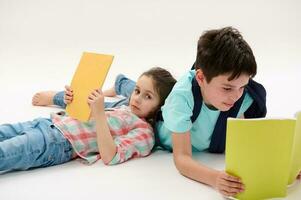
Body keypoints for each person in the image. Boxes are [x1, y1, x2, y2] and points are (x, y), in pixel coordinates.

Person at [0, 67, 176, 174]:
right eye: (137, 91)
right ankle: (57, 97)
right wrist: (73, 99)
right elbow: (96, 104)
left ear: (160, 107)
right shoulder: (125, 106)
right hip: (49, 123)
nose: (136, 99)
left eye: (148, 96)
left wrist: (99, 113)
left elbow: (111, 156)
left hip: (59, 143)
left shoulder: (144, 133)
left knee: (6, 152)